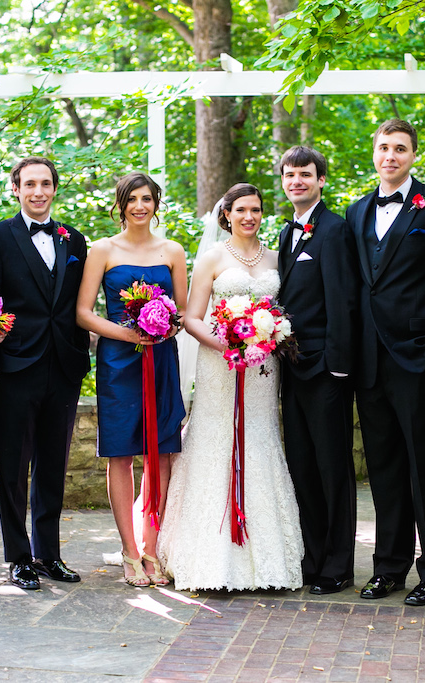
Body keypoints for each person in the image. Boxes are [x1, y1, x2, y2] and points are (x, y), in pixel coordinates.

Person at [346, 119, 425, 606]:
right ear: (374, 153)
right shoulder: (357, 211)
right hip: (370, 363)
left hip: (421, 360)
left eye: (400, 149)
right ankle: (389, 568)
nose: (391, 156)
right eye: (384, 148)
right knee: (383, 471)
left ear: (414, 155)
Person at [158, 183, 303, 591]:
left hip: (262, 370)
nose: (249, 217)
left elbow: (283, 314)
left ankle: (265, 558)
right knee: (217, 441)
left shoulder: (276, 257)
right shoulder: (212, 258)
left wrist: (266, 337)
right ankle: (209, 555)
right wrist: (227, 342)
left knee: (259, 439)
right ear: (227, 214)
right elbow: (192, 316)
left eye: (255, 209)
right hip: (220, 365)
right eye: (241, 209)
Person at [0, 157, 91, 590]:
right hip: (15, 367)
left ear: (54, 189)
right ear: (16, 188)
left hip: (63, 365)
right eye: (30, 184)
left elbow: (78, 303)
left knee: (53, 465)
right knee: (12, 466)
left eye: (45, 184)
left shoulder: (73, 239)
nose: (38, 191)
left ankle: (49, 553)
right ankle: (18, 557)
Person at [75, 172, 187, 587]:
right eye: (132, 199)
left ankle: (152, 548)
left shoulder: (173, 251)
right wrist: (128, 333)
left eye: (147, 199)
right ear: (120, 204)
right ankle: (128, 550)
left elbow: (182, 312)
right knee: (120, 453)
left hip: (160, 359)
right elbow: (84, 312)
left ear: (156, 204)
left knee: (159, 453)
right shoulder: (103, 250)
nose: (140, 206)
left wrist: (162, 329)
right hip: (119, 361)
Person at [276, 146, 359, 595]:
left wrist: (339, 367)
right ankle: (312, 556)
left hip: (327, 371)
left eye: (305, 175)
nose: (297, 182)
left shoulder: (334, 230)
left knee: (332, 468)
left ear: (321, 180)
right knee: (303, 467)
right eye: (290, 175)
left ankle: (339, 565)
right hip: (292, 369)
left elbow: (343, 301)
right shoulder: (286, 232)